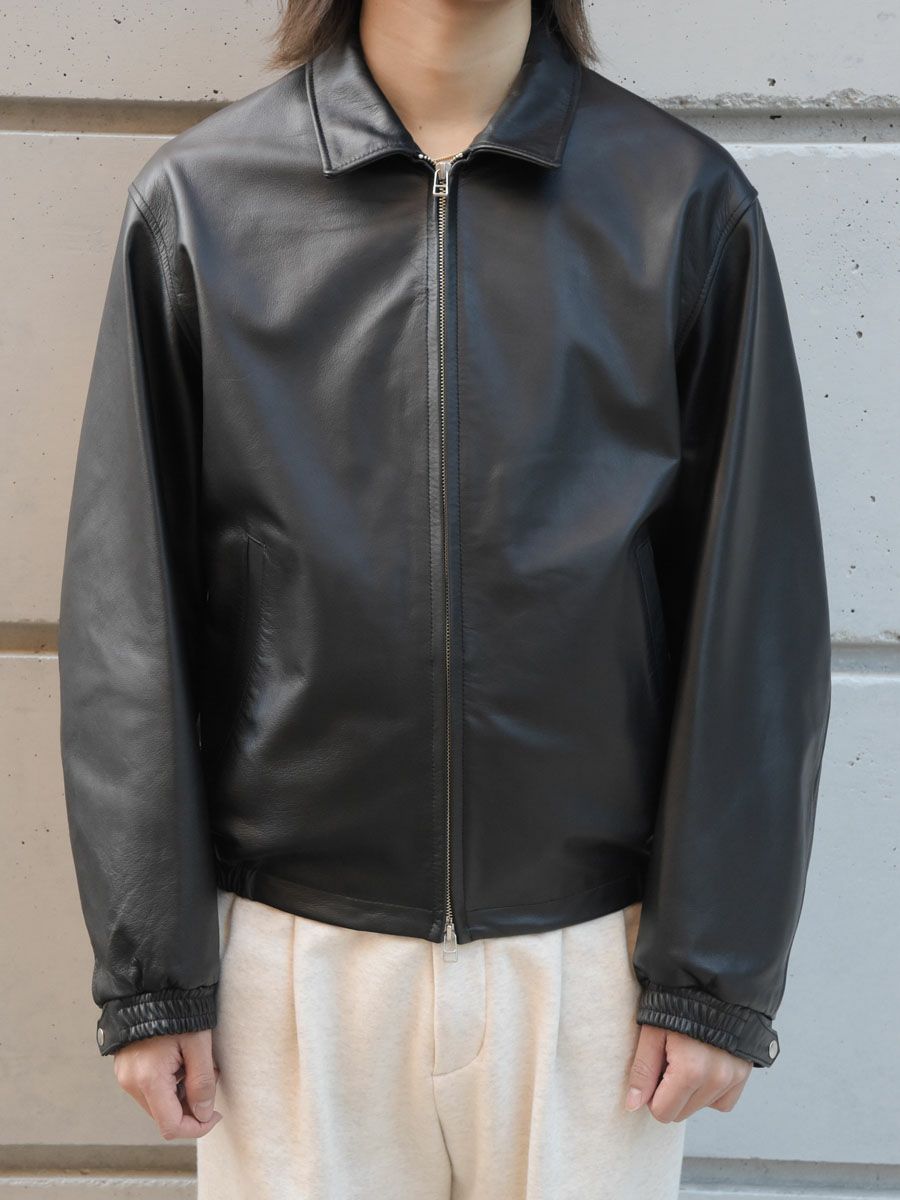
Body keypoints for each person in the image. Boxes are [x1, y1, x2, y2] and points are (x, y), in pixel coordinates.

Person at [57, 0, 832, 1196]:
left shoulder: (680, 202)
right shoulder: (203, 204)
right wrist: (152, 974)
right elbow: (129, 612)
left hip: (593, 965)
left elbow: (753, 604)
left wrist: (713, 974)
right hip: (296, 963)